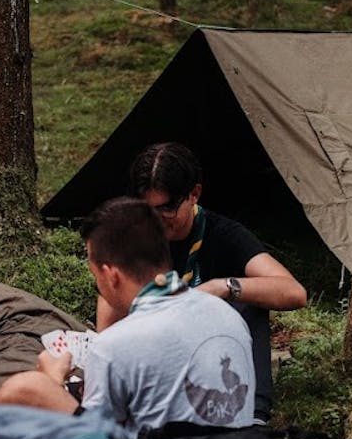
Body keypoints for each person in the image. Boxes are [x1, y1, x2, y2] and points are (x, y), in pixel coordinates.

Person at [0, 197, 256, 434]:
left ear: (111, 275)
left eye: (95, 275)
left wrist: (53, 383)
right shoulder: (228, 315)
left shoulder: (115, 347)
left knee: (25, 390)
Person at [113, 142, 306, 418]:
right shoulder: (136, 237)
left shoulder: (224, 235)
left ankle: (255, 413)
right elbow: (110, 315)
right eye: (148, 209)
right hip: (158, 360)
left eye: (167, 208)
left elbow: (294, 292)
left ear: (194, 194)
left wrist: (223, 287)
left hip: (211, 357)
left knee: (250, 301)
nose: (157, 219)